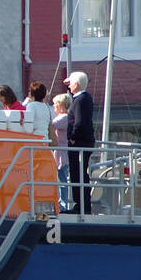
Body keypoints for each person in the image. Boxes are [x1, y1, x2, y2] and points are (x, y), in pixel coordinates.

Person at [66, 70, 96, 213]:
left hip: (79, 143)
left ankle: (82, 206)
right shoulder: (84, 98)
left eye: (71, 83)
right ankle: (82, 205)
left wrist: (73, 137)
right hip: (83, 142)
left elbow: (79, 122)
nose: (69, 86)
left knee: (78, 174)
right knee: (79, 173)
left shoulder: (81, 99)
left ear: (76, 84)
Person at [52, 92, 72, 211]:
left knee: (62, 180)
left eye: (55, 104)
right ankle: (61, 203)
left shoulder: (64, 117)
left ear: (61, 105)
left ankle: (63, 204)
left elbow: (52, 124)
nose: (54, 107)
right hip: (60, 152)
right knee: (60, 179)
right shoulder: (64, 117)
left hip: (62, 153)